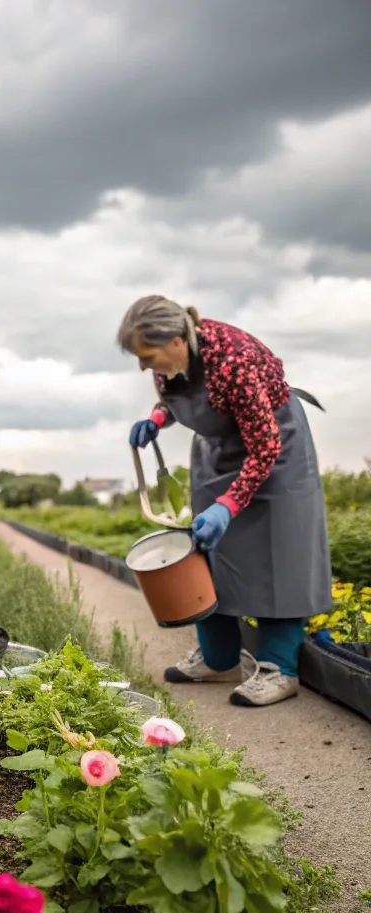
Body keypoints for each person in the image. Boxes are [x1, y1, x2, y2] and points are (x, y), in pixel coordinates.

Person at [120, 296, 331, 707]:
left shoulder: (232, 358)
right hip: (218, 452)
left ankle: (278, 669)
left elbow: (265, 446)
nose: (143, 367)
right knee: (209, 553)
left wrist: (228, 505)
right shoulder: (170, 365)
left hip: (276, 453)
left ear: (179, 340)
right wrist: (157, 419)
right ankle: (218, 660)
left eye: (147, 356)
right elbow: (172, 399)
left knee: (279, 558)